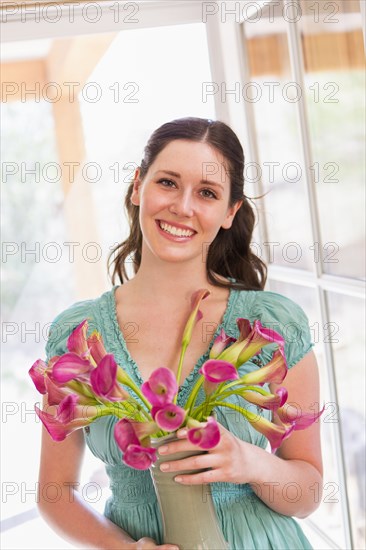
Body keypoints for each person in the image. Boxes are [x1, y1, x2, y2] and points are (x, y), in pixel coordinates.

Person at [38, 117, 323, 550]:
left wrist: (250, 462)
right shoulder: (78, 335)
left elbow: (308, 494)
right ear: (138, 187)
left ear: (229, 212)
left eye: (206, 193)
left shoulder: (274, 326)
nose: (183, 207)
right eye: (168, 183)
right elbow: (54, 493)